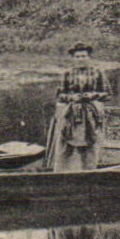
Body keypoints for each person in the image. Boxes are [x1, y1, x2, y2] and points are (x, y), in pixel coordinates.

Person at [47, 42, 111, 170]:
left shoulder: (97, 73)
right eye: (77, 56)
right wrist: (72, 97)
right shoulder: (67, 74)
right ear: (73, 58)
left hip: (91, 113)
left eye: (83, 56)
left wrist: (92, 96)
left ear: (89, 57)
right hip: (71, 113)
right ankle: (62, 173)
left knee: (91, 142)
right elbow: (60, 95)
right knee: (66, 142)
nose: (80, 59)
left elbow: (107, 94)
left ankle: (89, 171)